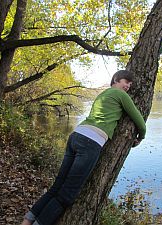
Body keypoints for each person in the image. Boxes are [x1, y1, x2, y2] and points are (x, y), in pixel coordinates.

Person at [21, 70, 146, 225]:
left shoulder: (103, 95)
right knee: (66, 194)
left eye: (130, 84)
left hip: (76, 135)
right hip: (91, 141)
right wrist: (142, 136)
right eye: (126, 82)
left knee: (57, 186)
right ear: (116, 80)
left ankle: (26, 221)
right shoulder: (121, 95)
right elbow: (139, 119)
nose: (128, 86)